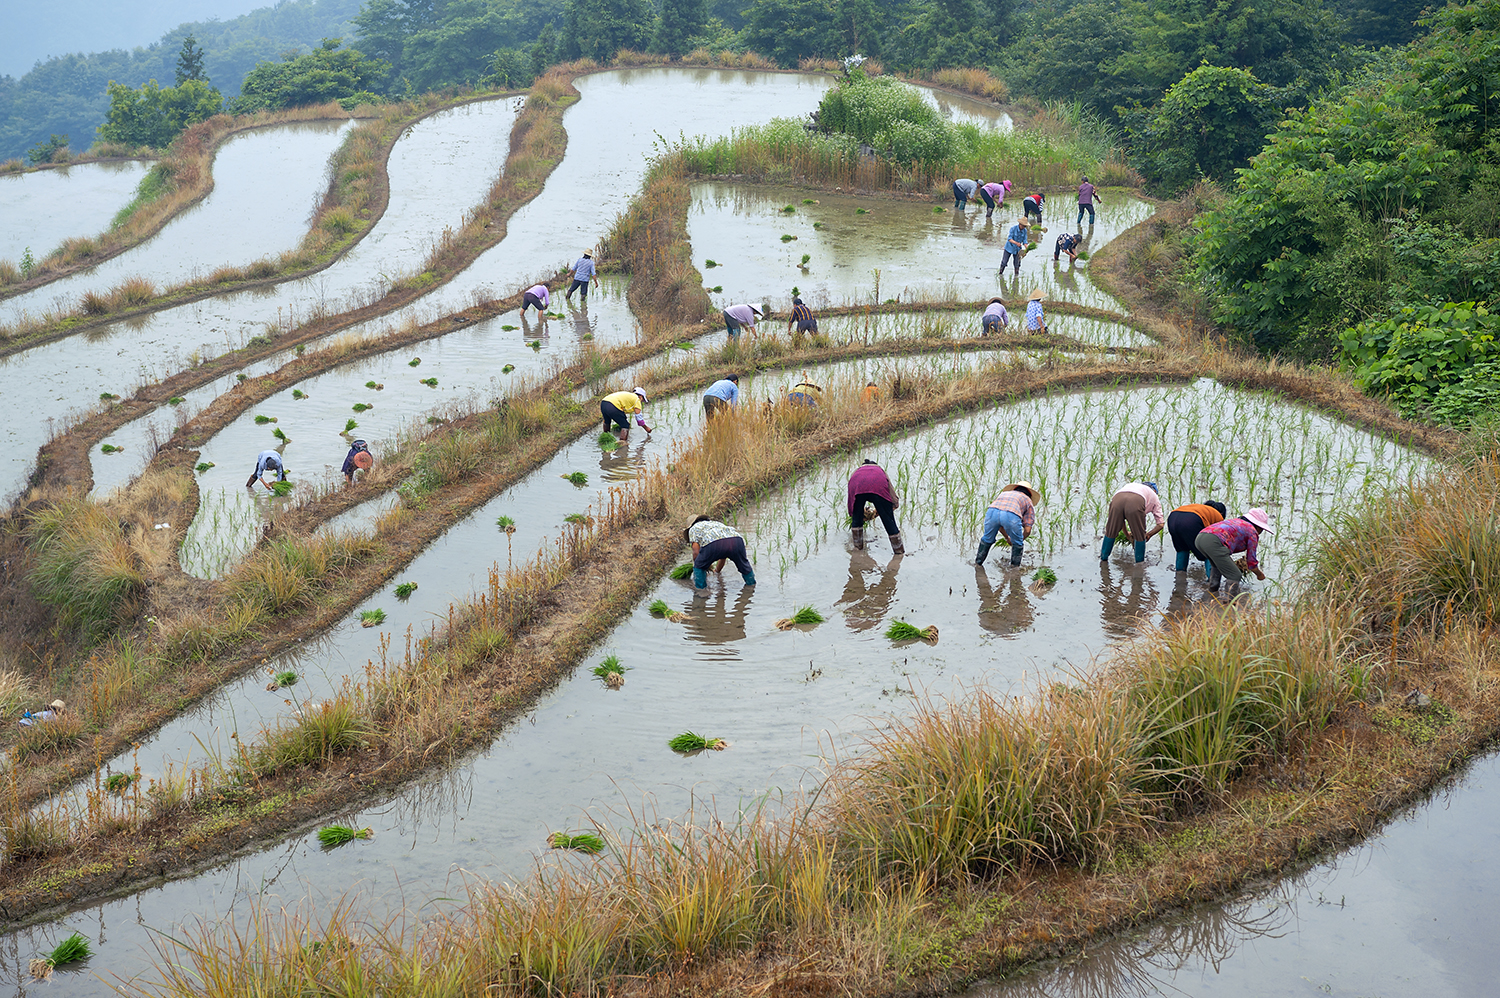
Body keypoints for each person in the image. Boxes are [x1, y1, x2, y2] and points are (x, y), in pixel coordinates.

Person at [1195, 508, 1271, 597]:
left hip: (1200, 538)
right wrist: (1260, 575)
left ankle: (1212, 594)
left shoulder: (1236, 522)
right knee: (1235, 575)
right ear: (1258, 526)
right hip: (1214, 542)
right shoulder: (1252, 531)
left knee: (1217, 566)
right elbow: (1251, 562)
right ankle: (1229, 605)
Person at [848, 459, 904, 554]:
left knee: (856, 521)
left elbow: (851, 495)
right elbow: (891, 493)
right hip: (878, 487)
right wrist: (892, 506)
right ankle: (899, 552)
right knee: (889, 521)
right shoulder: (880, 471)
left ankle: (858, 549)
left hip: (858, 488)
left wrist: (854, 513)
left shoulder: (856, 472)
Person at [1100, 481, 1164, 563]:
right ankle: (1139, 564)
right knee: (1139, 535)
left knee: (1110, 531)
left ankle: (1103, 559)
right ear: (1155, 491)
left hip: (1117, 498)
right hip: (1136, 501)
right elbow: (1161, 524)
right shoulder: (1154, 496)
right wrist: (1147, 535)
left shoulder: (1131, 485)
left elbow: (1121, 519)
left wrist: (1127, 534)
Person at [975, 481, 1037, 567]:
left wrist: (1007, 537)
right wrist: (1017, 541)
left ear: (1015, 488)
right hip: (1011, 514)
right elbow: (1027, 530)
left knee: (987, 538)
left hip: (992, 511)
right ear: (1029, 494)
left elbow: (999, 523)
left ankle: (978, 563)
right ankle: (1014, 571)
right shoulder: (1027, 500)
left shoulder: (1004, 494)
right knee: (1018, 543)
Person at [685, 516, 756, 589]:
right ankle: (752, 585)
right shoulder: (716, 524)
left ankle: (701, 593)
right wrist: (716, 571)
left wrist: (701, 565)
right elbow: (723, 554)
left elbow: (696, 552)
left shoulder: (694, 528)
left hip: (714, 544)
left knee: (698, 566)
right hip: (737, 540)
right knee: (743, 565)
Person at [1167, 500, 1227, 573]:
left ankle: (1180, 576)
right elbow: (1218, 538)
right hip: (1191, 519)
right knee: (1209, 551)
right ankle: (1211, 581)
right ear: (1222, 513)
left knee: (1182, 549)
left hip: (1173, 518)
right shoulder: (1218, 516)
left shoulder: (1200, 508)